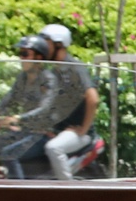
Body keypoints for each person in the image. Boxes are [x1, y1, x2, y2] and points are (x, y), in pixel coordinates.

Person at [0, 33, 87, 177]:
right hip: (24, 131)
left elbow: (44, 108)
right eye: (20, 54)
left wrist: (18, 118)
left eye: (25, 54)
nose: (21, 58)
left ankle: (20, 191)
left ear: (38, 57)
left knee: (10, 155)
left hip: (42, 134)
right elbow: (7, 101)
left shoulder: (49, 79)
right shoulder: (22, 78)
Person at [39, 23, 99, 178]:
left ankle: (67, 188)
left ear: (59, 45)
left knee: (54, 148)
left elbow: (93, 99)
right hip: (60, 130)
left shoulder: (74, 68)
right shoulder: (55, 71)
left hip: (78, 132)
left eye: (46, 43)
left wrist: (83, 130)